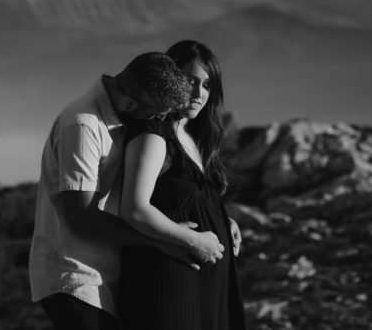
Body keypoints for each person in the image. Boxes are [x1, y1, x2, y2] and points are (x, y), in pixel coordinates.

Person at [29, 51, 227, 330]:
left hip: (107, 275)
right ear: (130, 101)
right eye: (157, 113)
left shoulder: (120, 115)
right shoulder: (83, 126)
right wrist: (164, 241)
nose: (158, 121)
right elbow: (82, 219)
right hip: (76, 276)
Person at [119, 40, 247, 330]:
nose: (198, 94)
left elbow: (184, 201)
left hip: (209, 285)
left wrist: (223, 221)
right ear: (170, 80)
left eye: (206, 85)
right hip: (171, 281)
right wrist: (194, 240)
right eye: (190, 82)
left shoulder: (197, 138)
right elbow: (134, 209)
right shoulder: (153, 136)